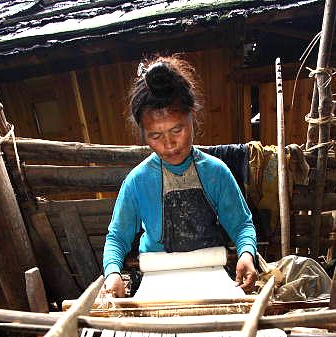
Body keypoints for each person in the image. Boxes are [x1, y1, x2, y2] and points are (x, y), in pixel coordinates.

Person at [103, 55, 257, 298]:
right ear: (142, 133)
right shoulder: (137, 182)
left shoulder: (215, 173)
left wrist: (247, 254)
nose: (169, 144)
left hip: (211, 270)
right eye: (155, 136)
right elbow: (117, 237)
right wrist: (112, 273)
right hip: (156, 274)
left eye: (177, 130)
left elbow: (241, 224)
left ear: (192, 117)